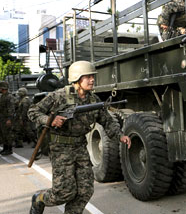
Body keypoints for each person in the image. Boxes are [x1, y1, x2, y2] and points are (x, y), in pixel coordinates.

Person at [28, 60, 131, 214]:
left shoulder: (93, 100)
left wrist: (120, 135)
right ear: (77, 78)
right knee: (64, 193)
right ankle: (39, 198)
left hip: (80, 147)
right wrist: (50, 120)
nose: (92, 80)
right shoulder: (59, 96)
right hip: (60, 149)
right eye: (88, 77)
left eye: (92, 76)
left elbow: (107, 120)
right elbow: (33, 111)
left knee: (85, 190)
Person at [0, 81, 15, 156]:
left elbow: (11, 108)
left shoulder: (9, 97)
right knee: (3, 134)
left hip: (6, 118)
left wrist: (9, 119)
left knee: (8, 134)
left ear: (3, 88)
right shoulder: (2, 96)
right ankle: (5, 148)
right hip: (1, 118)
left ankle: (9, 149)